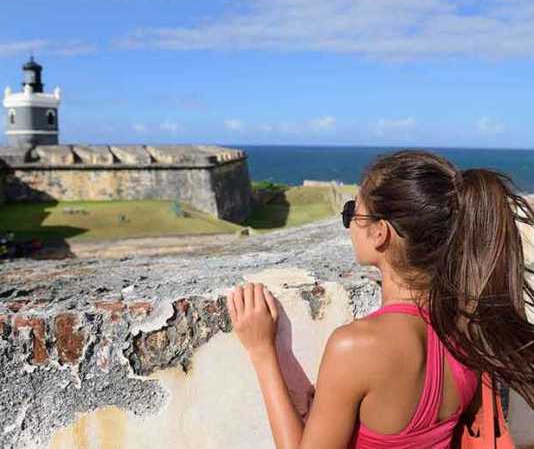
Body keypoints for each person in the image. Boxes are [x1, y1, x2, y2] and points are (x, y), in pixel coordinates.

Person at [225, 149, 534, 448]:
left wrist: (262, 352)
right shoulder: (467, 328)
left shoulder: (357, 347)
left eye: (352, 212)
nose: (349, 223)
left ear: (380, 233)